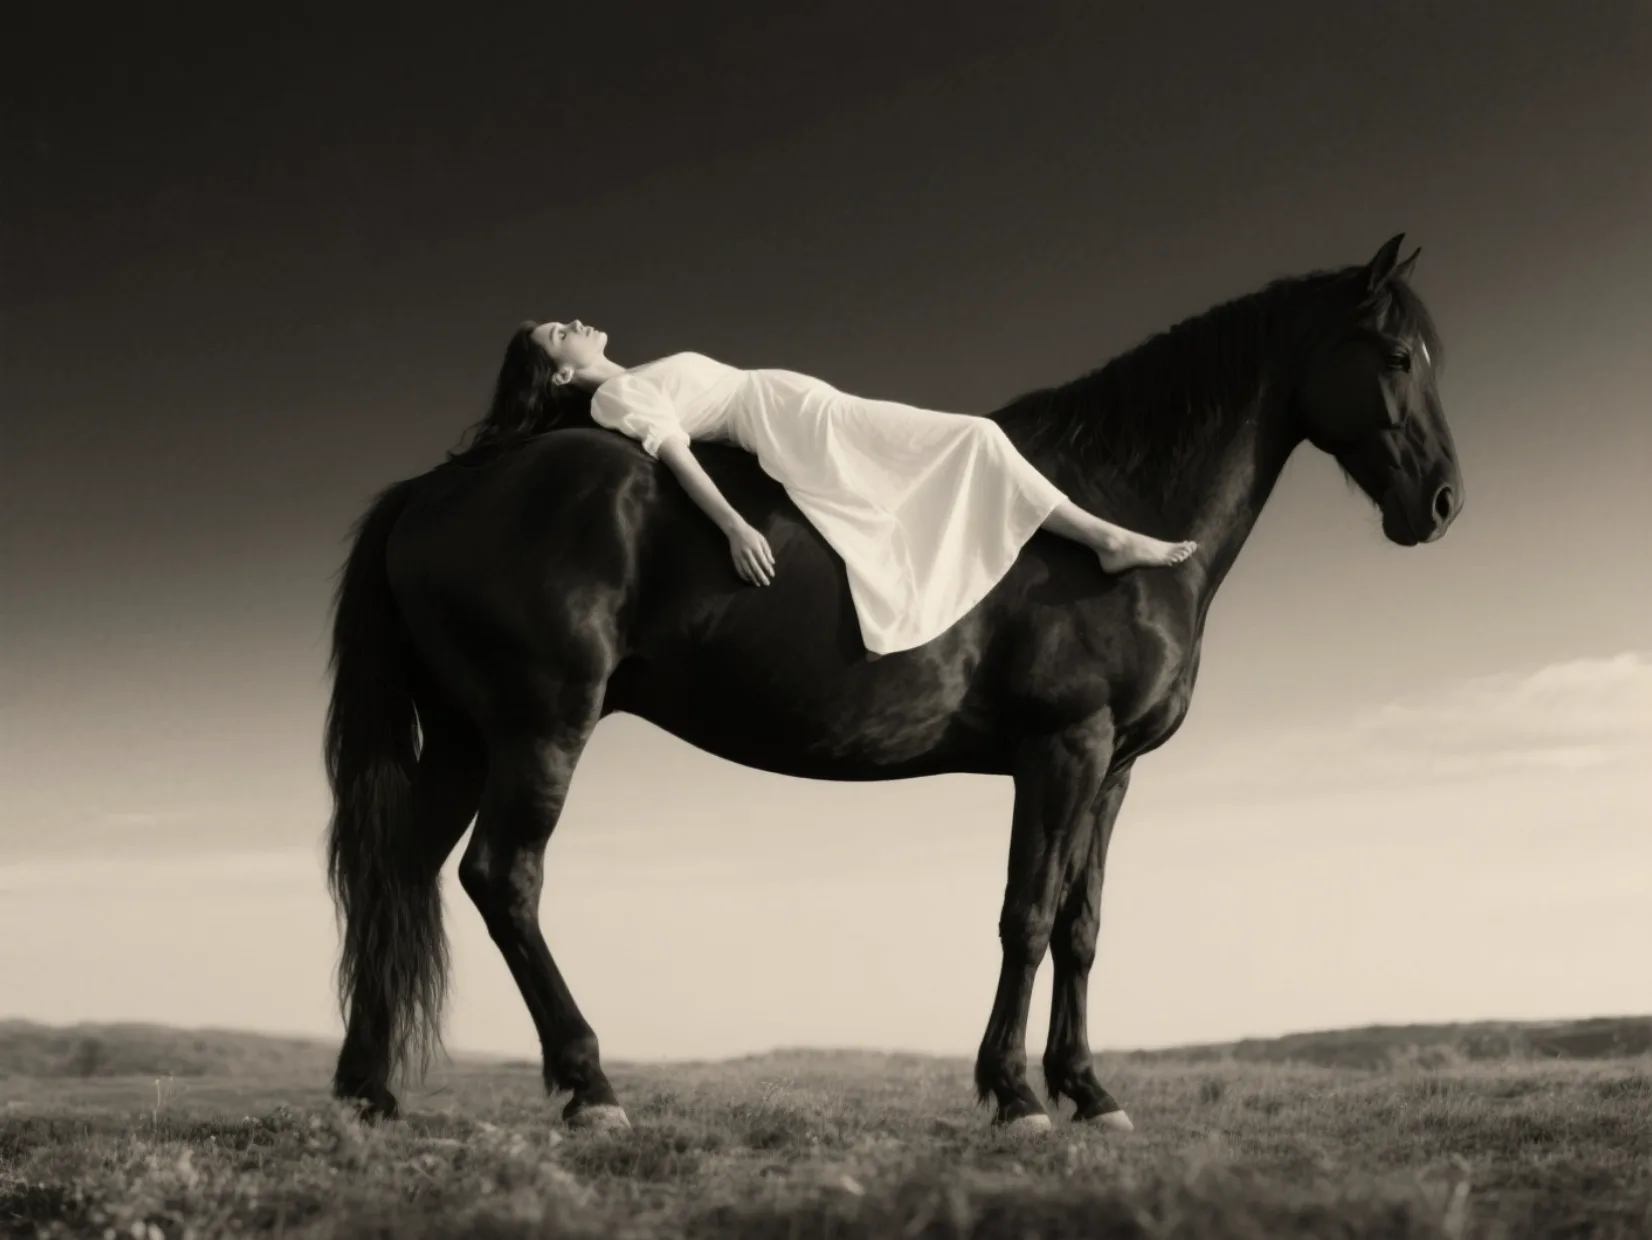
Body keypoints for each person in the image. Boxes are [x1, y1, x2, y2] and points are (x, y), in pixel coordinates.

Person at [520, 319, 1195, 657]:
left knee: (970, 445)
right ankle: (1106, 538)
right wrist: (732, 524)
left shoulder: (632, 375)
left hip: (800, 407)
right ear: (555, 376)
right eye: (558, 333)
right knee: (979, 439)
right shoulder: (616, 397)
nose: (573, 322)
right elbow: (673, 454)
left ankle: (1098, 536)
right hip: (795, 426)